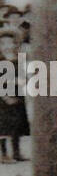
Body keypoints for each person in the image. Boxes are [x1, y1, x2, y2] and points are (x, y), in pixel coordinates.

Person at [0, 28, 29, 162]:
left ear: (15, 44)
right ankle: (4, 154)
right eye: (3, 44)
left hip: (18, 95)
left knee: (17, 124)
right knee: (3, 126)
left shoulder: (19, 60)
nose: (7, 47)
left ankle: (17, 152)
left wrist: (21, 82)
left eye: (9, 43)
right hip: (3, 97)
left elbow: (24, 77)